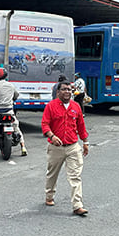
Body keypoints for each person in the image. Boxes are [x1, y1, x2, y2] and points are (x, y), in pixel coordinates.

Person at [41, 81, 89, 216]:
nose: (67, 92)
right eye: (64, 89)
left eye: (69, 89)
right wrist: (52, 136)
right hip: (55, 148)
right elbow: (45, 124)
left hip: (73, 147)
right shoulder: (51, 106)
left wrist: (85, 142)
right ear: (58, 92)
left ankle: (77, 205)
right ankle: (49, 195)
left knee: (75, 176)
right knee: (52, 174)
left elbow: (81, 126)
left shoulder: (76, 106)